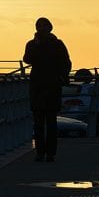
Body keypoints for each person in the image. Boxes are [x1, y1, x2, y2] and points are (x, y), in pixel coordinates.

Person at [22, 17, 72, 162]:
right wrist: (36, 46)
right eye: (39, 27)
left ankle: (49, 153)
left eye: (43, 27)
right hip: (39, 86)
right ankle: (40, 152)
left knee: (50, 122)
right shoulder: (32, 44)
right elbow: (27, 59)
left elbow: (66, 62)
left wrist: (61, 76)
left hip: (50, 86)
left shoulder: (57, 44)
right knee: (39, 122)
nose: (41, 29)